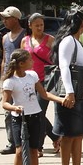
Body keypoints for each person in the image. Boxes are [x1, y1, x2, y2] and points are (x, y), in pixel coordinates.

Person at [1, 49, 65, 165]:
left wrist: (60, 99)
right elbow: (5, 103)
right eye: (29, 60)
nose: (32, 61)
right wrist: (15, 108)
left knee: (33, 150)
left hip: (35, 116)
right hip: (19, 118)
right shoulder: (10, 81)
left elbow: (43, 94)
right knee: (19, 151)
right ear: (22, 63)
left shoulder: (33, 76)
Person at [51, 10, 83, 165]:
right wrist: (69, 92)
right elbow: (64, 66)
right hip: (70, 95)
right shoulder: (68, 41)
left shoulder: (76, 42)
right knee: (68, 136)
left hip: (79, 95)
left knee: (78, 135)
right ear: (79, 25)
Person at [21, 13, 60, 156]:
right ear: (30, 25)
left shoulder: (50, 40)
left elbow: (58, 59)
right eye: (36, 25)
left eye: (42, 25)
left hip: (46, 81)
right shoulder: (25, 41)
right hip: (28, 81)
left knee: (38, 112)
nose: (39, 27)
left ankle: (38, 146)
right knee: (35, 113)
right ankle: (55, 137)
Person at [0, 6, 26, 155]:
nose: (4, 21)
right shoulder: (4, 38)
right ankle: (12, 142)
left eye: (6, 18)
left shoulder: (24, 36)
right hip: (8, 79)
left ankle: (28, 140)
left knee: (26, 110)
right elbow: (4, 59)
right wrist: (2, 80)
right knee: (7, 111)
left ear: (15, 19)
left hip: (20, 79)